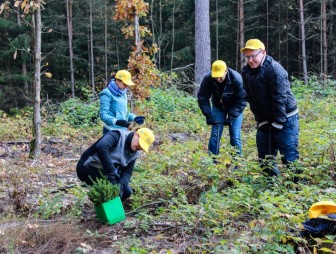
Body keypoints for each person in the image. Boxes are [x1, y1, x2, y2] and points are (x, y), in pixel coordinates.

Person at [240, 39, 299, 177]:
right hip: (265, 119)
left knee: (289, 157)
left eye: (253, 56)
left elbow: (280, 98)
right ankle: (271, 189)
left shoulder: (274, 69)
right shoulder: (246, 72)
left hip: (286, 117)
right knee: (265, 159)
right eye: (247, 57)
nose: (250, 60)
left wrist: (278, 122)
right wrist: (260, 119)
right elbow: (249, 97)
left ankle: (298, 190)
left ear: (263, 53)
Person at [76, 127, 155, 201]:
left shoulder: (136, 152)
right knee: (110, 188)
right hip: (87, 167)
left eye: (142, 146)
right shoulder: (117, 135)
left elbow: (128, 171)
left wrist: (121, 185)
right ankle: (103, 210)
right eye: (140, 143)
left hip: (105, 172)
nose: (140, 147)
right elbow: (101, 147)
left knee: (126, 192)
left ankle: (111, 212)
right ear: (136, 134)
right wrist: (111, 172)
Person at [197, 60, 246, 159]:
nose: (218, 78)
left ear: (226, 71)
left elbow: (242, 100)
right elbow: (203, 97)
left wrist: (231, 116)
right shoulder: (208, 79)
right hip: (218, 107)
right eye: (216, 76)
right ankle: (212, 162)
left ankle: (237, 163)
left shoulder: (236, 79)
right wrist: (208, 114)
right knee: (215, 134)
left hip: (235, 107)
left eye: (220, 75)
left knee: (235, 136)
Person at [99, 70, 145, 134]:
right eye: (125, 84)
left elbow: (124, 113)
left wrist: (134, 118)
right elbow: (103, 115)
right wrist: (116, 121)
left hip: (123, 130)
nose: (126, 86)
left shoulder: (123, 93)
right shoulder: (106, 93)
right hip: (111, 131)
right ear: (117, 81)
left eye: (127, 84)